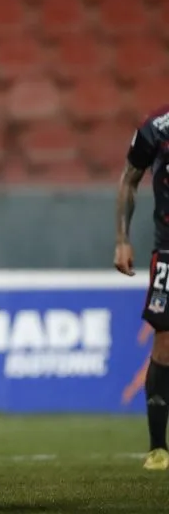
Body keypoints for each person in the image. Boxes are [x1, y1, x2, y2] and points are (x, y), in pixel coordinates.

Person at [114, 107, 169, 471]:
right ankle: (158, 448)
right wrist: (122, 239)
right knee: (165, 341)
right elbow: (129, 179)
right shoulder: (156, 128)